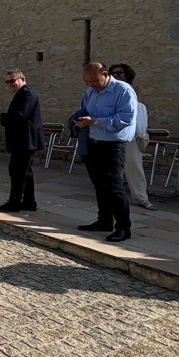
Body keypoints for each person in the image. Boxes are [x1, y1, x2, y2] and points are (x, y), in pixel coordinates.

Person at [73, 62, 136, 242]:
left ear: (106, 74)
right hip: (94, 142)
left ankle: (123, 227)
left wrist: (96, 121)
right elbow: (86, 109)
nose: (90, 85)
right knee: (99, 184)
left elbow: (125, 118)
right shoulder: (90, 91)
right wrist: (81, 119)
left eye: (94, 81)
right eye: (87, 82)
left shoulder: (123, 90)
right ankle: (104, 220)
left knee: (114, 186)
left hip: (113, 145)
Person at [0, 68, 44, 212]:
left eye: (13, 81)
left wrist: (2, 117)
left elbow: (21, 116)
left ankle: (14, 202)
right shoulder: (22, 93)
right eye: (7, 82)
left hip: (25, 140)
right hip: (23, 140)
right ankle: (29, 202)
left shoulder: (27, 94)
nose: (10, 84)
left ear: (23, 79)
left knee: (17, 171)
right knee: (25, 172)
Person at [108, 63, 155, 209]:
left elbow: (134, 106)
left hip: (130, 135)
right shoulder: (110, 91)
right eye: (113, 74)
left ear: (127, 74)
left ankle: (142, 198)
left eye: (119, 73)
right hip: (112, 133)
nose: (116, 76)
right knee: (111, 166)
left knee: (134, 166)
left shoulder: (135, 89)